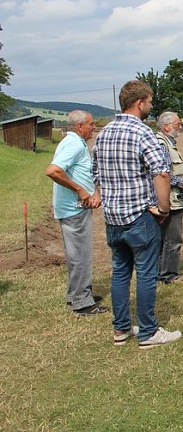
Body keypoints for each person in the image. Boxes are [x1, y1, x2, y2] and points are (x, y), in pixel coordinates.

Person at [92, 80, 181, 348]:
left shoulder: (104, 133)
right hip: (140, 215)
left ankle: (121, 329)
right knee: (145, 272)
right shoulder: (143, 133)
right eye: (150, 102)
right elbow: (162, 172)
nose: (151, 107)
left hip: (113, 217)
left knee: (120, 271)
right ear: (140, 102)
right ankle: (148, 332)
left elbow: (96, 174)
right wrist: (164, 208)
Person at [45, 110, 108, 316]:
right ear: (79, 126)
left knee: (76, 254)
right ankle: (82, 302)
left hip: (72, 208)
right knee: (80, 255)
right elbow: (53, 171)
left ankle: (76, 294)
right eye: (90, 124)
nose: (93, 128)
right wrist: (80, 190)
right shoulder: (73, 144)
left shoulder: (72, 142)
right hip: (74, 209)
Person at [154, 112, 183, 283]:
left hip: (166, 198)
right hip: (170, 199)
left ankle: (157, 273)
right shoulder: (162, 144)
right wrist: (182, 184)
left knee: (162, 239)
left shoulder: (164, 142)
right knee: (172, 238)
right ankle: (169, 275)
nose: (180, 126)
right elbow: (164, 171)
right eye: (177, 124)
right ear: (166, 127)